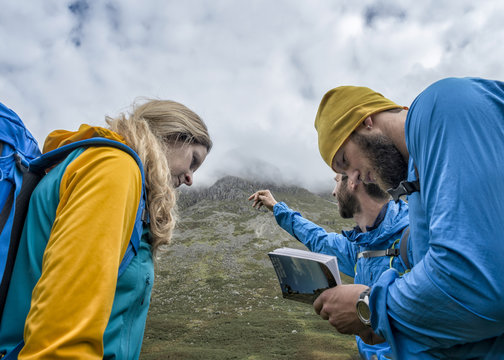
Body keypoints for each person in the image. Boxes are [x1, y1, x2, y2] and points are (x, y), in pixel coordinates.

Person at [0, 99, 212, 358]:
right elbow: (64, 335)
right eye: (193, 161)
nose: (190, 179)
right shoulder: (115, 168)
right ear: (171, 134)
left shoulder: (101, 167)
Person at [312, 77, 504, 358]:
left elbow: (477, 285)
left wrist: (369, 307)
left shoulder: (444, 106)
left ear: (365, 120)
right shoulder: (417, 184)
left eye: (345, 162)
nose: (352, 179)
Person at [249, 174, 409, 360]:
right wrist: (277, 208)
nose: (333, 193)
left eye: (337, 181)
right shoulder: (358, 246)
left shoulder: (412, 236)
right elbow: (318, 239)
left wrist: (368, 303)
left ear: (353, 180)